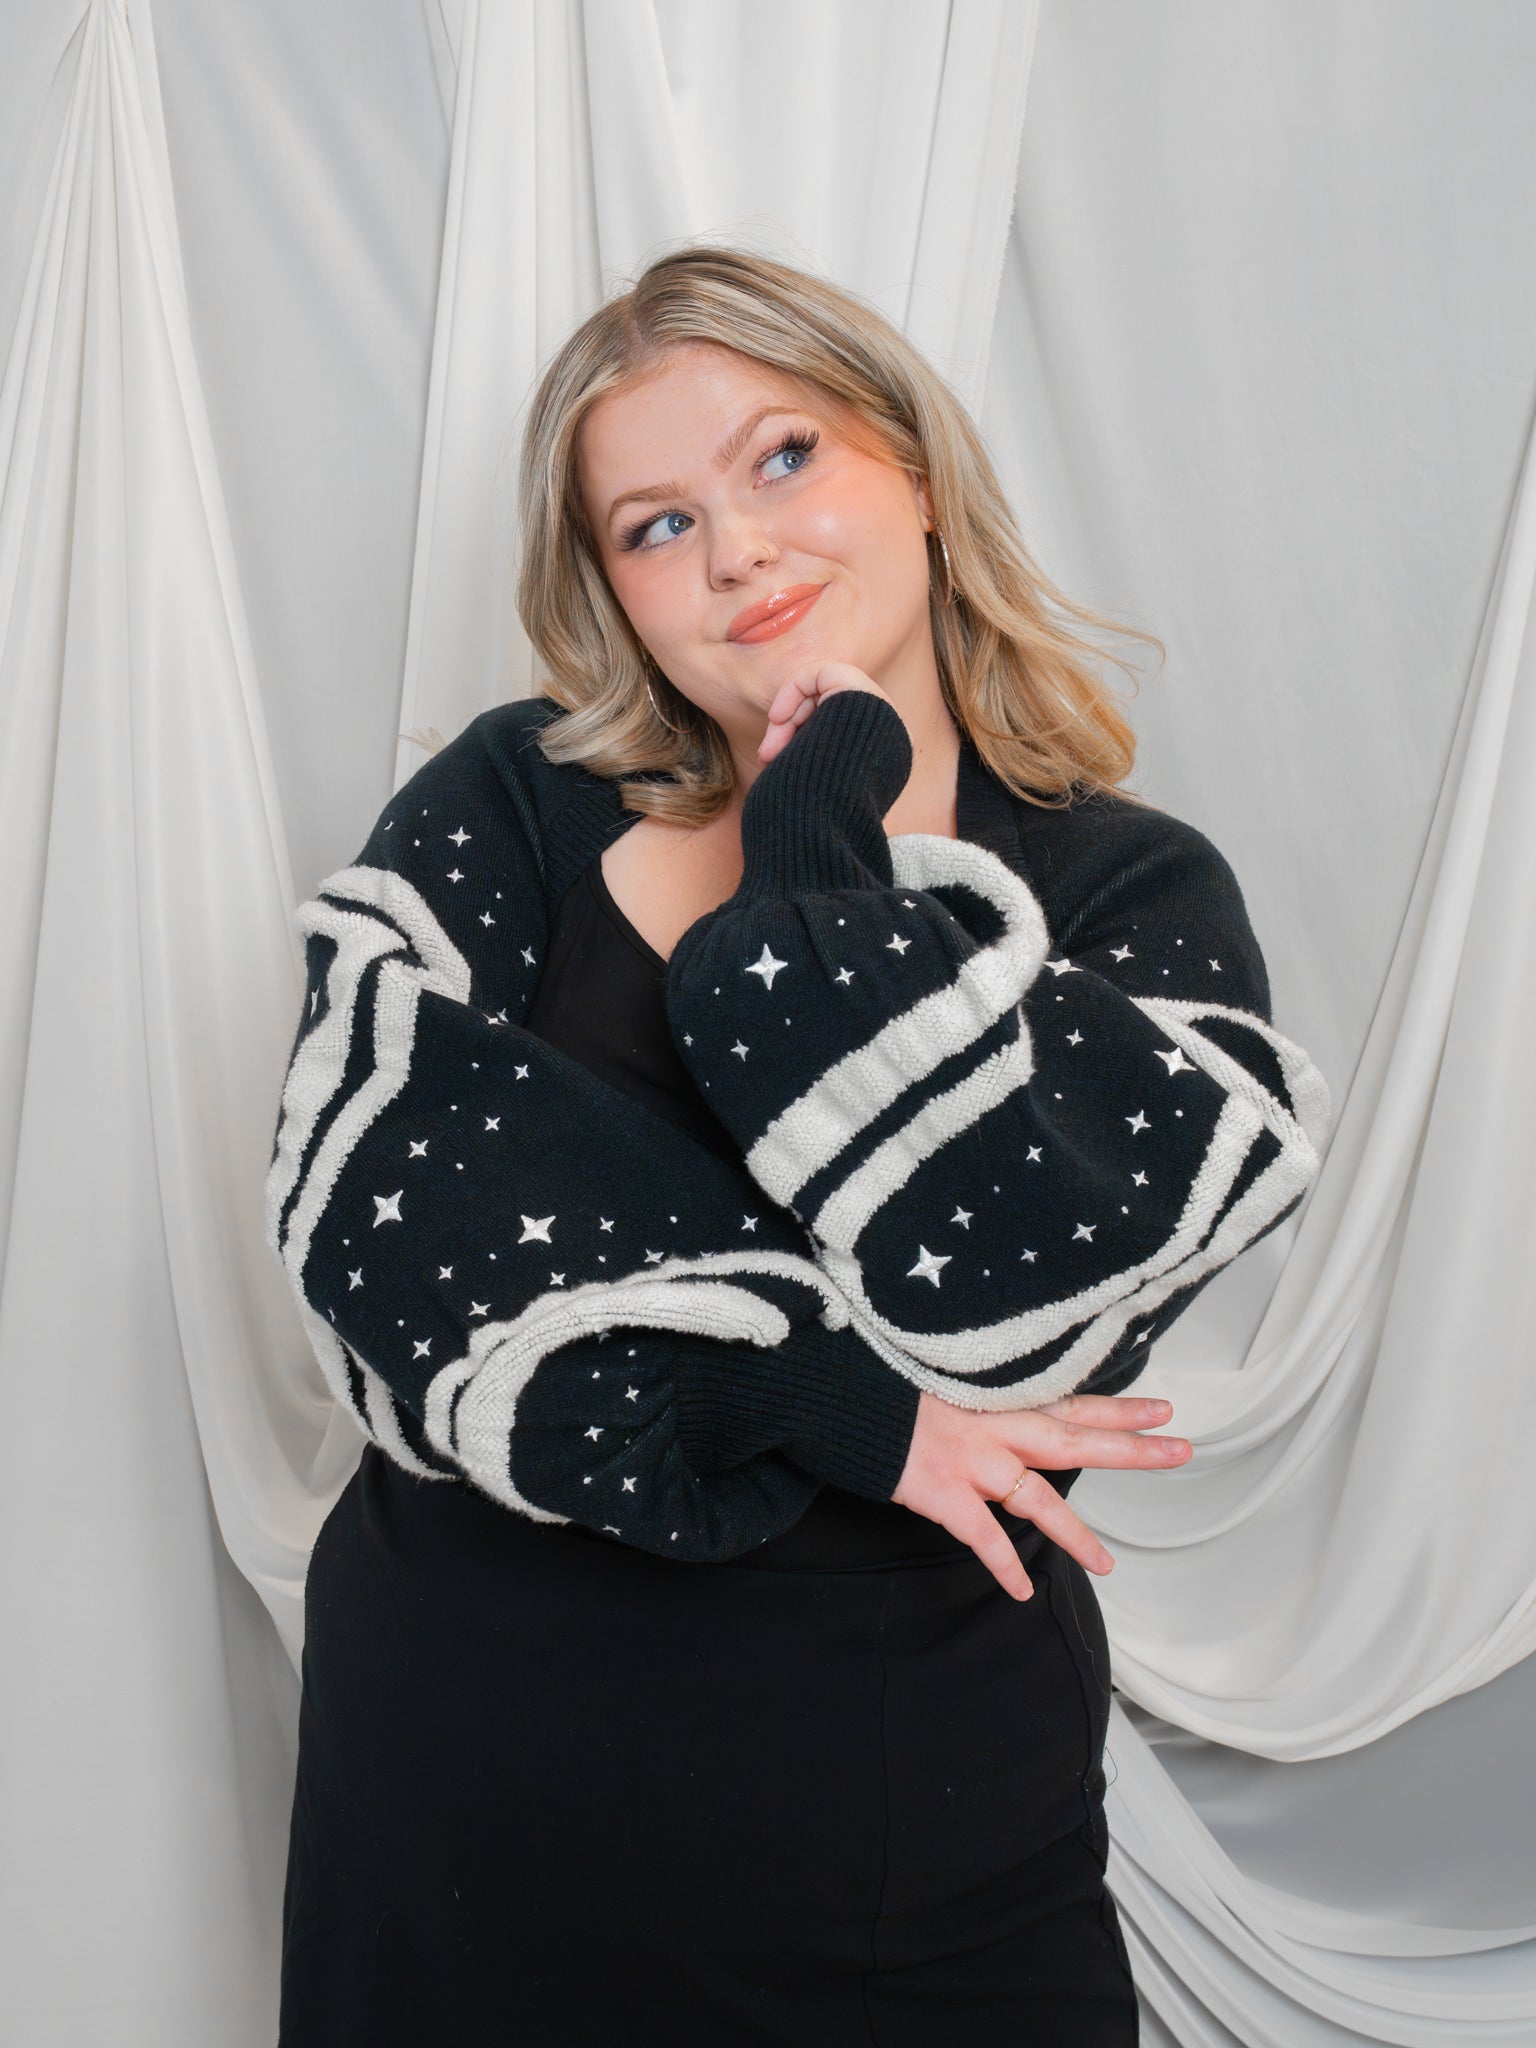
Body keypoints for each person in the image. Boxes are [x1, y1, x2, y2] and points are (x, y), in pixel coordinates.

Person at [266, 245, 1329, 2045]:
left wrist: (820, 821)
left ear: (916, 467)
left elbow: (1025, 1303)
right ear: (610, 590)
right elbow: (376, 1208)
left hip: (901, 1795)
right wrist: (832, 1400)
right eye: (656, 525)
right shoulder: (518, 801)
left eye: (783, 457)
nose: (738, 552)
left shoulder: (1127, 889)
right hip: (466, 1761)